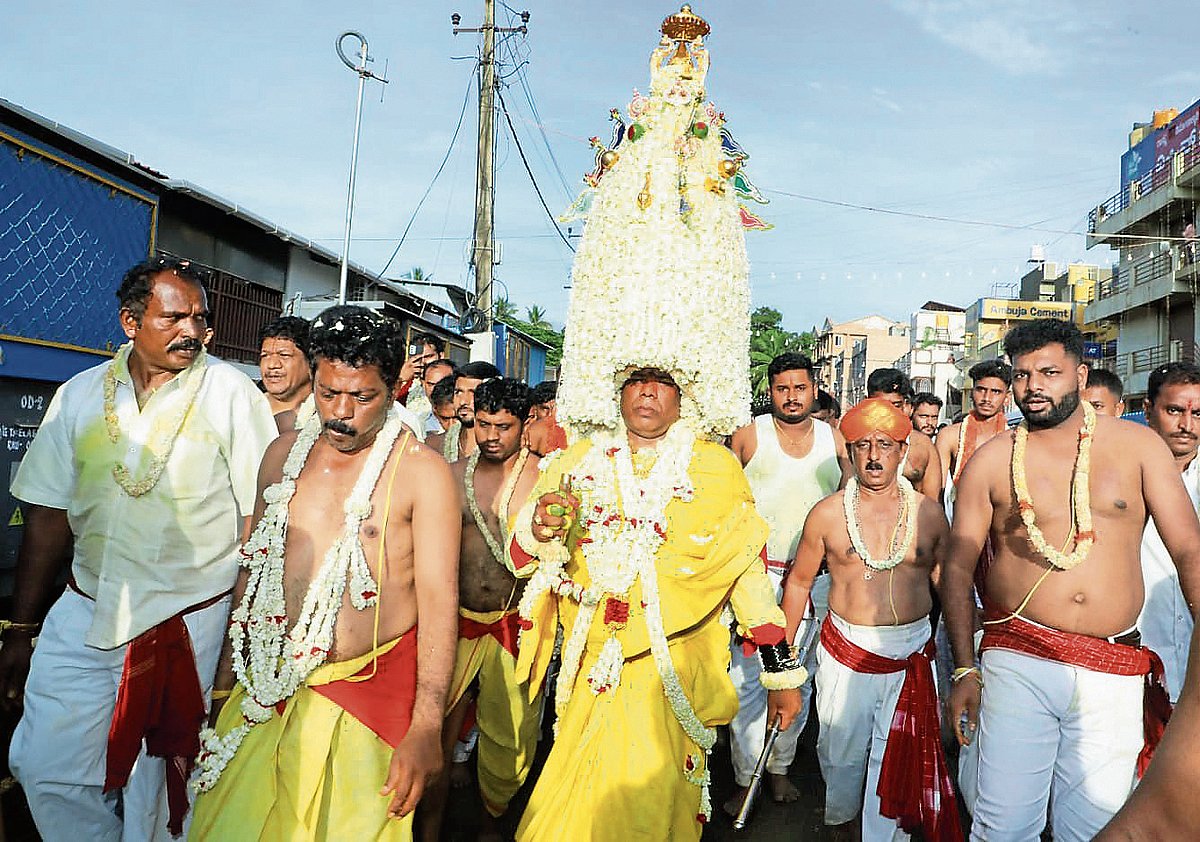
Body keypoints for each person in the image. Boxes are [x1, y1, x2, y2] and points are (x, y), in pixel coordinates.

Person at [1, 257, 277, 840]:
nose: (193, 331)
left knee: (161, 791)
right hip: (85, 606)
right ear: (131, 322)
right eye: (174, 317)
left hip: (188, 617)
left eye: (200, 318)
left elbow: (261, 519)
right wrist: (21, 629)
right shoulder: (79, 395)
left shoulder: (230, 393)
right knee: (45, 766)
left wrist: (238, 640)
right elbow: (47, 515)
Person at [189, 306, 460, 840]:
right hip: (265, 689)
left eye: (363, 398)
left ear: (396, 384)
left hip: (365, 699)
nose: (342, 413)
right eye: (328, 392)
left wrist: (427, 725)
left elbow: (438, 602)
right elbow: (253, 575)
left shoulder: (423, 474)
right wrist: (222, 688)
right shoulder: (281, 455)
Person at [509, 368, 806, 840]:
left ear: (687, 391)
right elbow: (522, 556)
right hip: (592, 667)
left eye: (662, 380)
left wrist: (780, 675)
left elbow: (745, 571)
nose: (647, 391)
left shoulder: (713, 467)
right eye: (635, 379)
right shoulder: (581, 459)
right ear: (616, 388)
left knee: (648, 809)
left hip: (675, 669)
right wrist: (543, 527)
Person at [943, 319, 1200, 841]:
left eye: (1049, 372)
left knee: (1096, 826)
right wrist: (963, 670)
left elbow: (1190, 550)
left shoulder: (1138, 447)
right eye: (1022, 375)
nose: (1033, 386)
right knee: (1003, 824)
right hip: (1019, 656)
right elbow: (956, 568)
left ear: (1080, 376)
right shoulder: (991, 460)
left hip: (1113, 664)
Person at [781, 398, 960, 842]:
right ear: (851, 452)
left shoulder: (928, 513)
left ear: (903, 451)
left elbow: (949, 585)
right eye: (863, 445)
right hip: (847, 653)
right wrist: (781, 669)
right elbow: (799, 584)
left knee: (894, 758)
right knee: (839, 755)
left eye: (885, 444)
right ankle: (842, 824)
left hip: (911, 655)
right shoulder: (827, 513)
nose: (874, 455)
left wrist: (966, 659)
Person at [724, 351, 848, 814]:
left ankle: (778, 770)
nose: (792, 397)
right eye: (782, 388)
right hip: (757, 579)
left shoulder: (834, 440)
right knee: (748, 682)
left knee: (802, 678)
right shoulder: (749, 437)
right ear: (770, 391)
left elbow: (847, 502)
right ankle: (743, 778)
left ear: (814, 389)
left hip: (815, 581)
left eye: (800, 388)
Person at [422, 378, 543, 842]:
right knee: (435, 729)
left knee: (509, 738)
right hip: (456, 621)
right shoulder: (450, 475)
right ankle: (429, 829)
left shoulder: (548, 477)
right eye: (482, 424)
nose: (490, 436)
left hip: (517, 626)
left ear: (526, 423)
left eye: (503, 427)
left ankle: (492, 821)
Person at [1139, 362, 1200, 703]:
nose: (1186, 425)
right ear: (1148, 410)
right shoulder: (1116, 477)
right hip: (1135, 663)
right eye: (1174, 410)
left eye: (1198, 413)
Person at [935, 360, 1011, 511]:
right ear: (971, 393)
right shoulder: (949, 436)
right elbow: (937, 492)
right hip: (960, 520)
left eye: (995, 392)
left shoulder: (1015, 439)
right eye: (981, 390)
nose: (987, 398)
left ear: (1007, 397)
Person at [867, 369, 943, 499]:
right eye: (881, 405)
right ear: (867, 402)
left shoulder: (922, 444)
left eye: (895, 405)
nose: (888, 412)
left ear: (905, 405)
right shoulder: (852, 441)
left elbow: (932, 503)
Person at [428, 361, 502, 462]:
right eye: (458, 392)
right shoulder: (433, 446)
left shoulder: (501, 449)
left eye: (473, 392)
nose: (463, 401)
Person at [258, 315, 313, 432]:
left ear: (311, 363)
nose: (272, 365)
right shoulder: (244, 406)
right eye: (265, 356)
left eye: (284, 355)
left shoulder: (326, 415)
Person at [397, 332, 447, 418]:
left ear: (441, 356)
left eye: (428, 356)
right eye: (419, 358)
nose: (423, 362)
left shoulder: (451, 384)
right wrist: (400, 379)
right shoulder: (407, 385)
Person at [524, 381, 568, 457]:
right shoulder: (527, 432)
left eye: (555, 408)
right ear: (534, 409)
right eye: (545, 408)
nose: (550, 414)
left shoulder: (568, 433)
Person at [419, 358, 457, 434]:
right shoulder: (416, 422)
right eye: (431, 384)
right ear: (423, 383)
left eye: (442, 384)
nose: (435, 389)